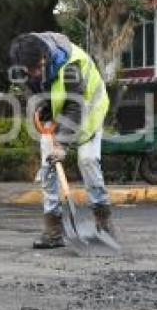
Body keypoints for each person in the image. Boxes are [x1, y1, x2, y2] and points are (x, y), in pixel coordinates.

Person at [9, 32, 115, 249]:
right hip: (60, 115)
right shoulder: (25, 64)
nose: (36, 73)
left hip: (87, 111)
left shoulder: (70, 67)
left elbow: (75, 106)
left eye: (38, 67)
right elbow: (32, 89)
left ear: (45, 56)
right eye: (31, 70)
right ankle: (53, 230)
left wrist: (63, 144)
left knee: (88, 161)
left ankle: (104, 223)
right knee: (48, 167)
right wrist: (41, 106)